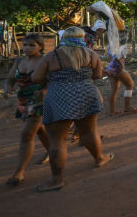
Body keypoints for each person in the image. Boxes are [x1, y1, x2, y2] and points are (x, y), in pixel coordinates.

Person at [31, 27, 113, 192]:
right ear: (82, 38)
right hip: (86, 94)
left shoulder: (52, 56)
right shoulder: (91, 54)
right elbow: (97, 75)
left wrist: (53, 77)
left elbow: (36, 77)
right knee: (89, 132)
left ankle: (57, 180)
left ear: (63, 38)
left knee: (57, 140)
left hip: (59, 96)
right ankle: (99, 158)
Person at [3, 34, 50, 185]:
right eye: (25, 45)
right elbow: (10, 78)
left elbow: (53, 79)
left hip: (40, 101)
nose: (27, 48)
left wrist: (44, 91)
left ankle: (19, 172)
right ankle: (54, 151)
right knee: (39, 129)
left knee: (27, 134)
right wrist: (7, 88)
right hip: (23, 101)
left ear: (40, 46)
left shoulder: (44, 61)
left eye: (32, 45)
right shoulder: (19, 61)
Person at [91, 20, 137, 115]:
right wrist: (120, 65)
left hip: (111, 67)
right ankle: (127, 107)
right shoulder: (119, 41)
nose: (127, 34)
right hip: (117, 66)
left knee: (115, 89)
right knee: (130, 85)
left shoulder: (113, 40)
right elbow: (116, 55)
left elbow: (112, 54)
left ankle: (112, 111)